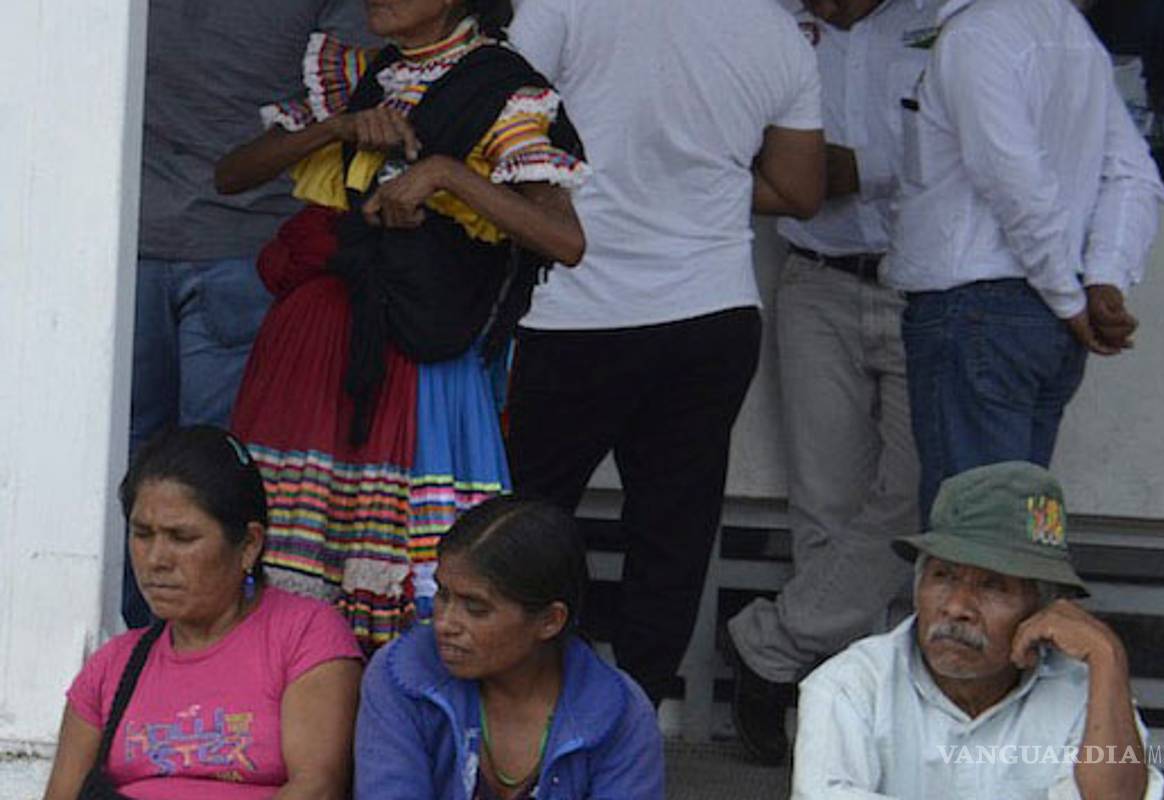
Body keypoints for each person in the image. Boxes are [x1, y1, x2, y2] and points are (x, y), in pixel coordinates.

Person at [214, 0, 588, 651]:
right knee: (290, 582)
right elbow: (232, 175)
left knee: (412, 590)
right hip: (311, 365)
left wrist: (443, 175)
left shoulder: (505, 91)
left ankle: (395, 734)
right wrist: (336, 130)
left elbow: (564, 239)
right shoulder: (363, 77)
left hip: (418, 372)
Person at [505, 0, 825, 707]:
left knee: (521, 519)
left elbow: (501, 125)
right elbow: (802, 189)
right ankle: (637, 713)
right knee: (671, 532)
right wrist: (701, 186)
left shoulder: (561, 5)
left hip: (572, 307)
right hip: (711, 308)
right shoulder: (775, 30)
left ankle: (515, 706)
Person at [722, 0, 935, 766]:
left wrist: (859, 169)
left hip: (926, 284)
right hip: (814, 278)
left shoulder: (943, 17)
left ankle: (767, 645)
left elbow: (978, 142)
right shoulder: (768, 23)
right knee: (823, 509)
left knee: (919, 498)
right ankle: (849, 724)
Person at [123, 0, 376, 629]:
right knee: (226, 474)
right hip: (248, 249)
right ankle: (202, 655)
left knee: (130, 465)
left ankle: (135, 652)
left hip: (130, 243)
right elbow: (365, 93)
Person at [885, 0, 1164, 523]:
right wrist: (1101, 278)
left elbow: (1017, 185)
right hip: (1040, 319)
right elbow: (1134, 177)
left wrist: (1072, 295)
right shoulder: (1073, 34)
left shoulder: (977, 35)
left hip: (979, 311)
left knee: (972, 535)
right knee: (1014, 537)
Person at [791, 461, 1164, 799]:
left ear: (1042, 609)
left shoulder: (1085, 692)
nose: (957, 607)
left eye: (993, 586)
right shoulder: (851, 686)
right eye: (942, 576)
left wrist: (1108, 655)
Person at [43, 426, 363, 800]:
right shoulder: (112, 665)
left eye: (182, 538)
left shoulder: (306, 634)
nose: (156, 560)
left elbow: (317, 788)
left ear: (248, 545)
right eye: (142, 534)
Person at [355, 496, 665, 800]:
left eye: (476, 608)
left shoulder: (621, 714)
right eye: (442, 594)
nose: (444, 623)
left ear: (550, 621)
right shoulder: (401, 674)